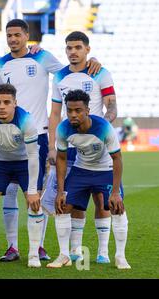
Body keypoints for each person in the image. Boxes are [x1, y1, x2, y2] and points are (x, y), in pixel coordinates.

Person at [0, 19, 101, 262]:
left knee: (38, 192)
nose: (13, 39)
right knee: (10, 191)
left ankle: (39, 246)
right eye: (9, 35)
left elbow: (71, 71)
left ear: (26, 35)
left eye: (17, 35)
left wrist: (93, 63)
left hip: (38, 134)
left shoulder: (42, 57)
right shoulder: (0, 63)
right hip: (7, 133)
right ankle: (12, 246)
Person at [47, 31, 118, 263]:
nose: (73, 52)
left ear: (87, 49)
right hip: (70, 141)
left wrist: (104, 127)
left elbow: (112, 105)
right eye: (69, 48)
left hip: (97, 144)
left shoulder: (101, 73)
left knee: (102, 199)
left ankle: (103, 252)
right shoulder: (59, 77)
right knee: (73, 197)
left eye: (78, 47)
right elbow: (56, 113)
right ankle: (75, 250)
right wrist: (51, 146)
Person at [46, 90, 130, 270]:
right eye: (69, 110)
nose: (73, 115)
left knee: (117, 207)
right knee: (63, 206)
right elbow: (61, 158)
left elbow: (117, 159)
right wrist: (60, 191)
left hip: (105, 169)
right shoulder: (63, 128)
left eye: (78, 110)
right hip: (81, 169)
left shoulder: (104, 127)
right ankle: (64, 255)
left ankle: (119, 256)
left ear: (87, 110)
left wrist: (115, 192)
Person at [0, 84, 43, 268]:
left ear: (15, 103)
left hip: (24, 163)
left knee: (34, 204)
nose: (2, 106)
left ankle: (33, 255)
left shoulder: (26, 119)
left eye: (6, 102)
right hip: (0, 163)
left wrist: (32, 191)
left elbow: (33, 156)